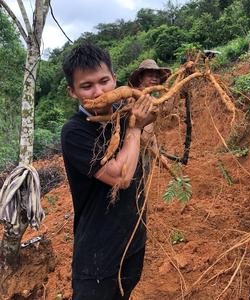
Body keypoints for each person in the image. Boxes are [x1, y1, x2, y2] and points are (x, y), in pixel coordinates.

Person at [61, 43, 155, 300]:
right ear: (72, 92)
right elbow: (121, 177)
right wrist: (136, 130)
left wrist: (145, 123)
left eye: (104, 81)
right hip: (97, 255)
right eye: (86, 86)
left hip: (133, 241)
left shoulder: (125, 115)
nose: (99, 92)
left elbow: (143, 150)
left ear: (115, 79)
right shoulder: (75, 132)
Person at [128, 59, 171, 181]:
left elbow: (150, 131)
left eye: (157, 76)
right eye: (150, 75)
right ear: (140, 78)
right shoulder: (133, 98)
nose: (155, 79)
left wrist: (157, 153)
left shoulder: (152, 100)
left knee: (143, 184)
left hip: (146, 152)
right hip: (133, 151)